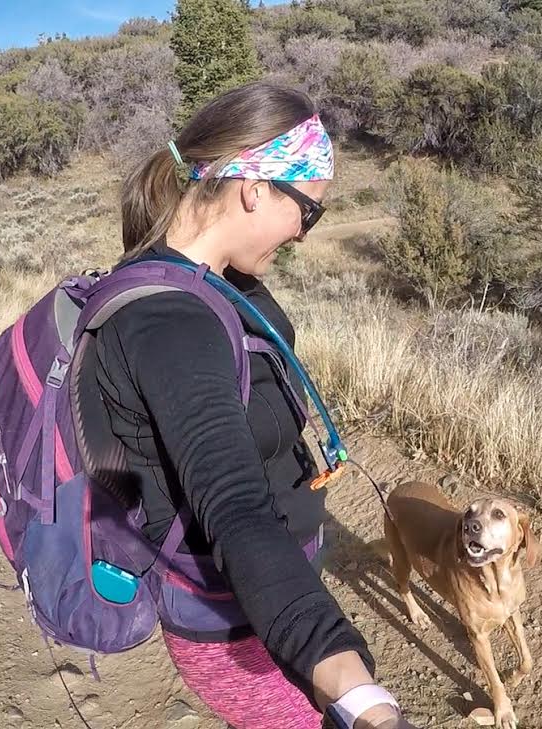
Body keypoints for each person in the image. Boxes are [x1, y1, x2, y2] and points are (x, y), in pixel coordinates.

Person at [88, 82, 420, 729]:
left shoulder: (223, 280)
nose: (303, 234)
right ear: (254, 188)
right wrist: (363, 699)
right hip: (236, 618)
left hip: (276, 585)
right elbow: (235, 508)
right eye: (309, 211)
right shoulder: (167, 324)